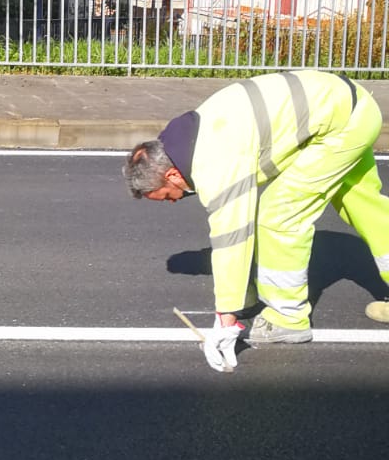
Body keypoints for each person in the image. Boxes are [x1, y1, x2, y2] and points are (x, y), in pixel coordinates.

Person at [124, 69, 389, 372]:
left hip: (339, 125)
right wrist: (240, 299)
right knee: (364, 204)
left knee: (278, 214)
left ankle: (287, 319)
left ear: (171, 174)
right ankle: (255, 294)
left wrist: (225, 316)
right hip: (349, 105)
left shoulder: (214, 161)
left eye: (168, 195)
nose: (174, 201)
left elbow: (233, 237)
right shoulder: (184, 140)